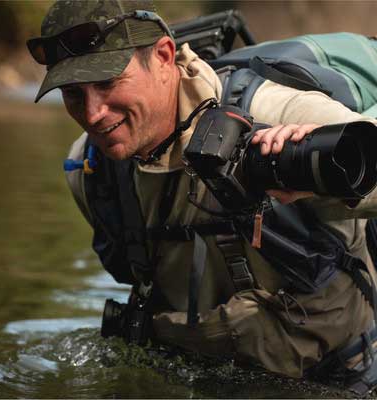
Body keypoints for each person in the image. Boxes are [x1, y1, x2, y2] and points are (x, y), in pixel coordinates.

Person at [27, 0, 377, 388]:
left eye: (108, 83)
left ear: (163, 56)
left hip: (342, 378)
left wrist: (320, 178)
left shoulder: (280, 113)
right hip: (198, 378)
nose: (93, 114)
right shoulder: (89, 171)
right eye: (73, 94)